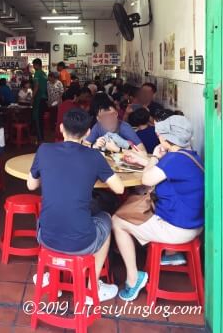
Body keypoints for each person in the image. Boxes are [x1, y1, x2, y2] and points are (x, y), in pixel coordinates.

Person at [28, 108, 124, 303]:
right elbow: (120, 189)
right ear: (88, 132)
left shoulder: (44, 149)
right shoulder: (94, 157)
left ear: (61, 128)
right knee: (105, 217)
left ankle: (51, 274)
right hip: (82, 242)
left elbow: (31, 185)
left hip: (45, 237)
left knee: (52, 213)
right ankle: (91, 287)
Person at [112, 115, 204, 301]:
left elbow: (147, 179)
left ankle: (133, 278)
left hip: (177, 229)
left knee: (117, 221)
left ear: (165, 138)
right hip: (194, 225)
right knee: (132, 204)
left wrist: (153, 156)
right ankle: (169, 254)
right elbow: (165, 170)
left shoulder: (173, 159)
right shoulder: (190, 155)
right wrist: (144, 161)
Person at [32, 58, 48, 142]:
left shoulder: (37, 73)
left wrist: (32, 97)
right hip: (44, 99)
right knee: (40, 120)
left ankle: (40, 140)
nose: (33, 67)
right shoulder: (44, 74)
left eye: (34, 65)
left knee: (37, 120)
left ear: (36, 65)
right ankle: (41, 138)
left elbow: (36, 86)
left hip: (38, 99)